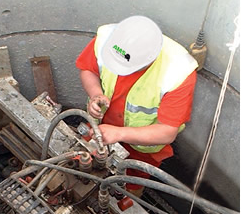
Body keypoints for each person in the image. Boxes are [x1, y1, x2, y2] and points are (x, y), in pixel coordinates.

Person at [76, 15, 198, 197]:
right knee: (81, 162)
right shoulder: (108, 40)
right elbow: (88, 69)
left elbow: (167, 131)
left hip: (140, 147)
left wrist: (119, 133)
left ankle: (124, 202)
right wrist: (95, 94)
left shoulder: (177, 72)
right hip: (99, 129)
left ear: (150, 59)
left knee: (131, 183)